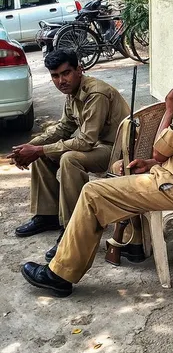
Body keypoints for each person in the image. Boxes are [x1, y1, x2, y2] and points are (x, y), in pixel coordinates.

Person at [20, 53, 173, 297]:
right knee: (115, 177)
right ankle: (130, 243)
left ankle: (60, 274)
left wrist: (169, 111)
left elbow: (159, 148)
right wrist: (152, 163)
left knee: (92, 192)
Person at [9, 49, 129, 259]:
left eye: (66, 73)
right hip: (99, 146)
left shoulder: (95, 94)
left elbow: (85, 141)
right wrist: (30, 147)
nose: (61, 80)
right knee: (41, 154)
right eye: (55, 76)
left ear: (79, 70)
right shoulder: (72, 93)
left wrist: (38, 149)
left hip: (117, 150)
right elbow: (63, 128)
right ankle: (48, 216)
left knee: (69, 159)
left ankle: (73, 228)